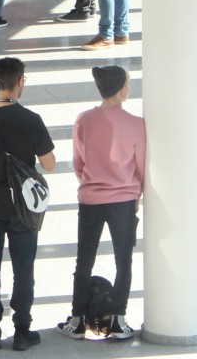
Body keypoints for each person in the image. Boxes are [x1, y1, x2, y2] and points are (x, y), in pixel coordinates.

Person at [0, 57, 56, 350]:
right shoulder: (31, 119)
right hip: (22, 207)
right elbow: (49, 164)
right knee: (23, 267)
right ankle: (22, 331)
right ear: (19, 81)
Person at [59, 65, 144, 341]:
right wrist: (136, 192)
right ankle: (117, 320)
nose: (129, 87)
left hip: (91, 198)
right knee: (124, 261)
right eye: (128, 84)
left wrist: (90, 181)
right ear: (121, 89)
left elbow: (78, 161)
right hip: (124, 200)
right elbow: (140, 165)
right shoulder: (136, 124)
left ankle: (77, 319)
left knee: (84, 260)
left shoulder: (84, 120)